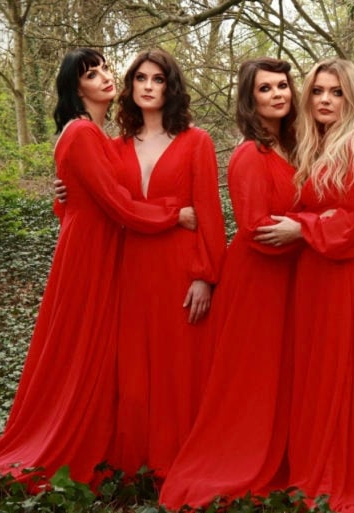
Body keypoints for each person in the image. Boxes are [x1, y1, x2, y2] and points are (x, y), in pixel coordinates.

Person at [0, 48, 193, 496]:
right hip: (90, 254)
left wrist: (64, 198)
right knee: (83, 347)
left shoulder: (95, 134)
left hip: (98, 246)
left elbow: (73, 201)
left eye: (104, 69)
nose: (104, 77)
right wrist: (172, 214)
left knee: (94, 348)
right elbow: (117, 206)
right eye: (90, 74)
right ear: (74, 87)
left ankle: (105, 437)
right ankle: (68, 439)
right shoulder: (81, 132)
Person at [159, 56, 301, 509]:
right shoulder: (249, 154)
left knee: (283, 370)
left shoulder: (293, 147)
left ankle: (285, 450)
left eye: (283, 86)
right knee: (254, 375)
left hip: (290, 275)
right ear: (249, 98)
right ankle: (238, 458)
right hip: (258, 277)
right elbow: (256, 228)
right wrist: (314, 230)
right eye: (266, 89)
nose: (279, 94)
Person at [255, 58, 354, 513]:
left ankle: (337, 472)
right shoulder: (310, 146)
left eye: (336, 92)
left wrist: (302, 228)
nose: (325, 100)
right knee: (313, 371)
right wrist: (314, 222)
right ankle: (311, 464)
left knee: (339, 369)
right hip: (312, 274)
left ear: (351, 99)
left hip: (345, 273)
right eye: (319, 91)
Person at [106, 48, 226, 477]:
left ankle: (181, 461)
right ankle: (136, 460)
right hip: (130, 267)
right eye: (141, 79)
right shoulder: (114, 147)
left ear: (171, 88)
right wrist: (64, 198)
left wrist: (205, 277)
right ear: (130, 87)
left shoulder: (197, 141)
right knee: (133, 370)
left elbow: (209, 212)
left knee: (180, 368)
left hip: (179, 267)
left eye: (158, 80)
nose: (149, 87)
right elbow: (103, 206)